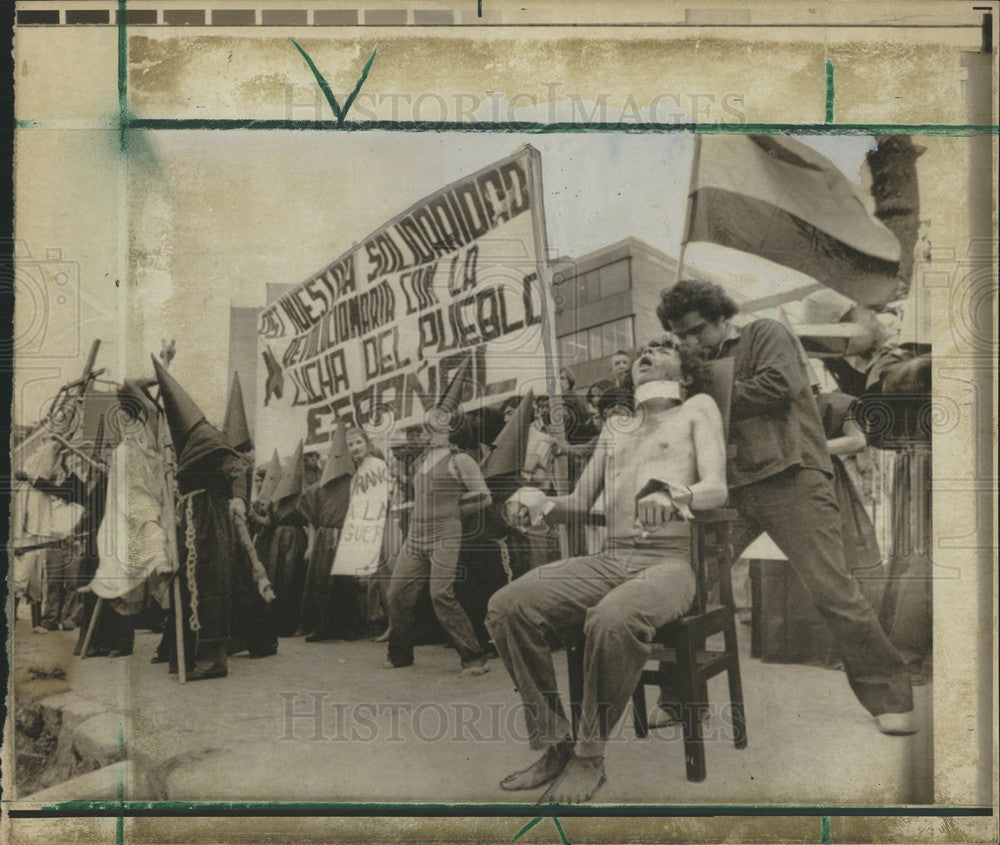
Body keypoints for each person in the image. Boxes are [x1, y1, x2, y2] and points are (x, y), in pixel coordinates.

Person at [656, 279, 916, 735]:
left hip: (791, 478)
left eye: (696, 331)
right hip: (730, 488)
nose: (688, 342)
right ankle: (678, 698)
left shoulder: (765, 334)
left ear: (721, 316)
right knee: (688, 584)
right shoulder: (696, 362)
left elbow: (779, 384)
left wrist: (703, 393)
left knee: (833, 590)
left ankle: (890, 698)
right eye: (680, 336)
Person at [485, 334, 728, 803]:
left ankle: (588, 755)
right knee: (506, 606)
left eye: (662, 350)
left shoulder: (696, 408)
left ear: (684, 372)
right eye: (642, 352)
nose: (647, 355)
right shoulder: (617, 426)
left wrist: (674, 494)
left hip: (670, 562)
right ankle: (555, 743)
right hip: (608, 557)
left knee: (612, 617)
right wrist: (537, 500)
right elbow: (578, 503)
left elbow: (717, 488)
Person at [153, 357, 247, 681]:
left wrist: (238, 498)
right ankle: (184, 656)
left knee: (210, 584)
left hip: (210, 516)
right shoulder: (182, 444)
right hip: (191, 518)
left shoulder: (206, 435)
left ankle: (212, 660)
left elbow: (235, 466)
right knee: (187, 585)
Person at [384, 412, 494, 674]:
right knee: (397, 594)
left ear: (452, 429)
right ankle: (400, 654)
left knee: (441, 595)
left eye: (438, 423)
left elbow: (485, 497)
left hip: (445, 533)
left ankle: (474, 657)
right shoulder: (422, 459)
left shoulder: (461, 460)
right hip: (415, 535)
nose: (430, 427)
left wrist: (454, 510)